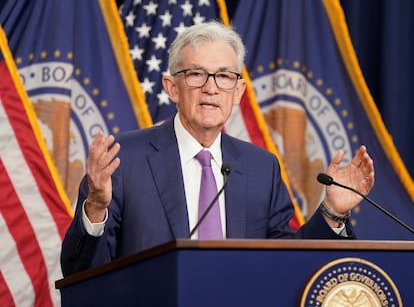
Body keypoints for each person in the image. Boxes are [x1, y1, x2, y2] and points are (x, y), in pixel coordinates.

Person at [61, 21, 374, 276]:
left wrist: (332, 212)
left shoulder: (261, 167)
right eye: (196, 74)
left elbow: (288, 262)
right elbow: (80, 272)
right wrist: (96, 208)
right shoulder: (123, 161)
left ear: (238, 92)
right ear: (171, 87)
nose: (211, 88)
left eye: (224, 76)